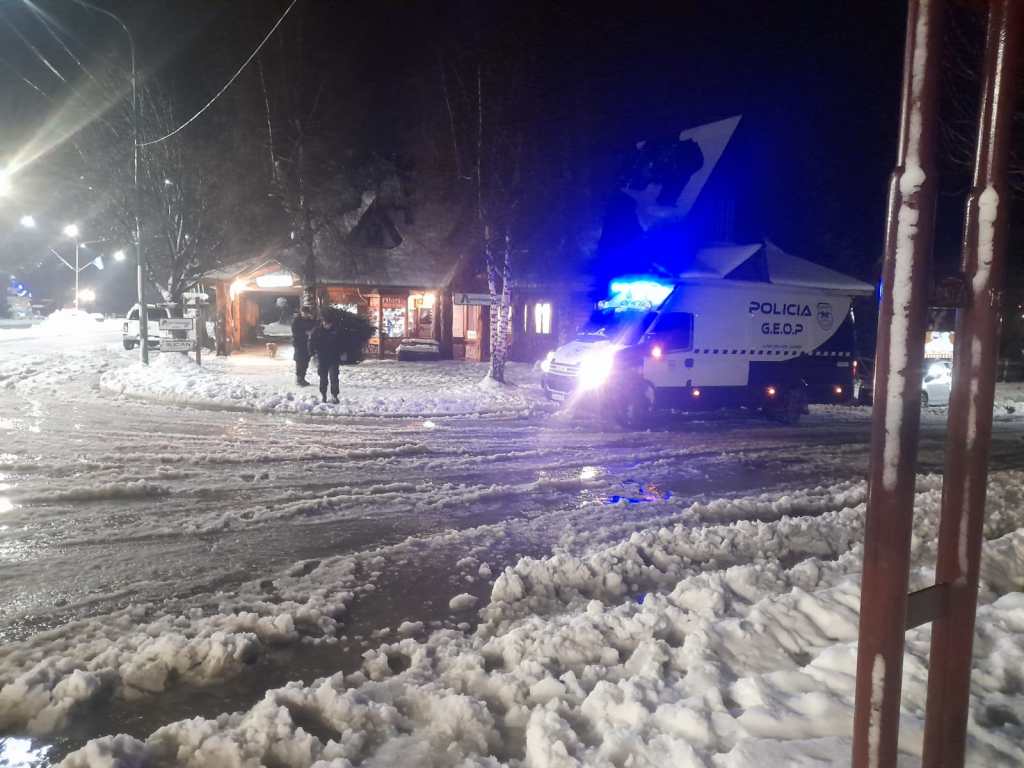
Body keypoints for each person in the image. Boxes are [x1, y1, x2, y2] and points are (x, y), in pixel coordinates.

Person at [308, 311, 344, 403]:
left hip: (334, 357)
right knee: (323, 378)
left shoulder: (336, 331)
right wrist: (312, 354)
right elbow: (311, 343)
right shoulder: (317, 331)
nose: (327, 325)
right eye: (325, 323)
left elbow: (342, 343)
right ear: (323, 322)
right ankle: (323, 395)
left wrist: (341, 352)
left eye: (329, 324)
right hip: (322, 357)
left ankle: (334, 395)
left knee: (334, 377)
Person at [291, 307, 315, 386]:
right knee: (299, 361)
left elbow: (314, 328)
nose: (305, 314)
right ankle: (299, 378)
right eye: (304, 313)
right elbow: (294, 332)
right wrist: (305, 333)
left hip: (307, 344)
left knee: (306, 361)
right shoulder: (296, 320)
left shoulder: (310, 320)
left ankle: (303, 377)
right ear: (301, 312)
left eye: (307, 313)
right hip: (299, 344)